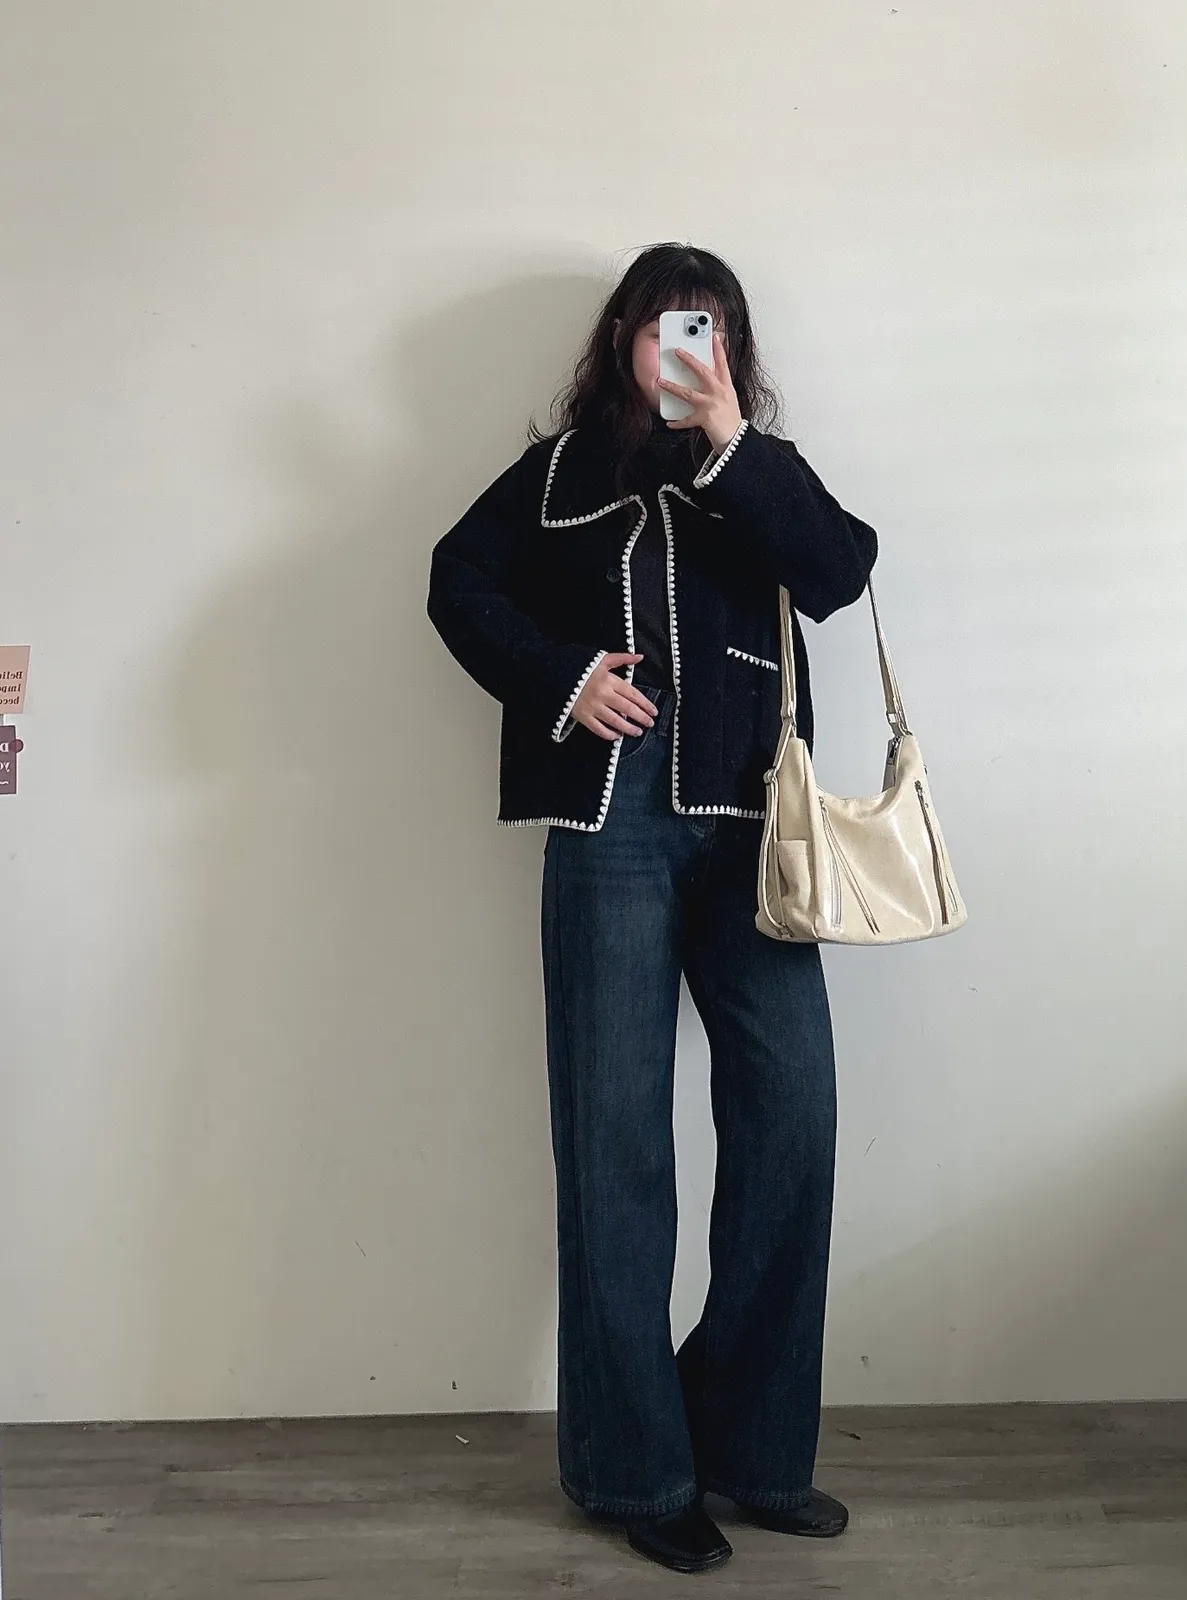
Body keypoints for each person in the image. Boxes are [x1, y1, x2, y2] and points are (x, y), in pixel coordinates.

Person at [426, 243, 878, 1575]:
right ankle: (636, 1468)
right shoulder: (561, 471)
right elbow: (458, 581)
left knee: (793, 1126)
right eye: (667, 324)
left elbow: (841, 572)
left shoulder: (757, 465)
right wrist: (562, 677)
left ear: (732, 346)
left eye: (712, 327)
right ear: (622, 335)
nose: (687, 347)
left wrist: (732, 441)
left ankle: (751, 1448)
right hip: (608, 827)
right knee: (615, 1146)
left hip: (756, 832)